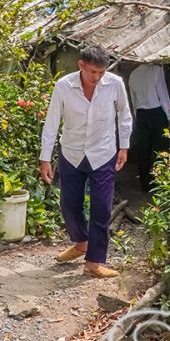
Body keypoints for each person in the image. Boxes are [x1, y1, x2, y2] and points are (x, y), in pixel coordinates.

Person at [40, 45, 132, 278]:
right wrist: (45, 158)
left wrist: (124, 146)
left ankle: (94, 262)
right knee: (69, 204)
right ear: (80, 65)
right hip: (71, 153)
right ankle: (81, 243)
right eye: (92, 72)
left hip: (103, 153)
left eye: (101, 72)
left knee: (101, 207)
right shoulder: (63, 86)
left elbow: (124, 114)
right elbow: (52, 123)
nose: (97, 77)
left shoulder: (114, 84)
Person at [128, 62, 170, 193]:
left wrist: (137, 117)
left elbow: (133, 100)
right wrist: (169, 116)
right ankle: (162, 182)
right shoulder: (156, 70)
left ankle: (145, 184)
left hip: (141, 114)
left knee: (143, 149)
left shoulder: (133, 74)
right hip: (157, 112)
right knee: (162, 147)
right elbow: (163, 95)